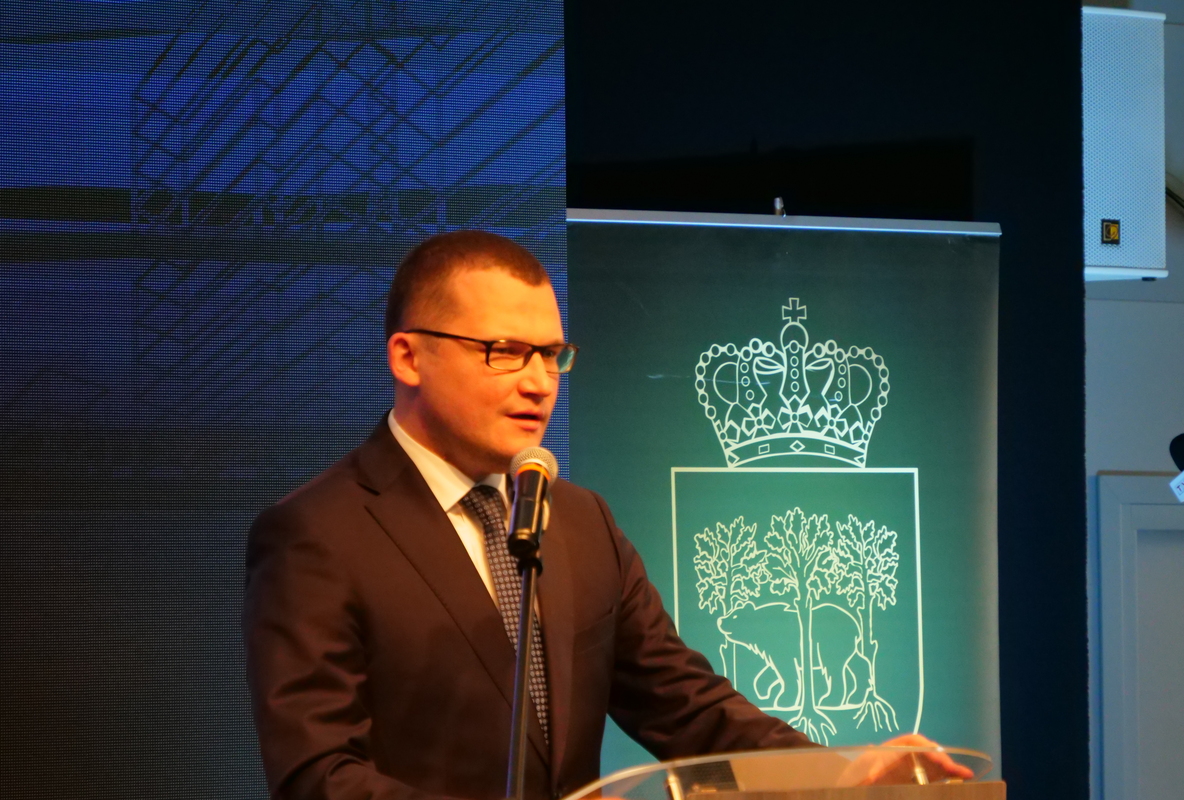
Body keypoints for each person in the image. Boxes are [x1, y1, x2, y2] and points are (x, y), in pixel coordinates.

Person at [243, 231, 966, 800]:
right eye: (505, 352)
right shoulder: (318, 535)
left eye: (552, 355)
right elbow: (317, 777)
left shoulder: (580, 520)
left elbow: (686, 706)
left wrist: (840, 773)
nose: (538, 383)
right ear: (408, 357)